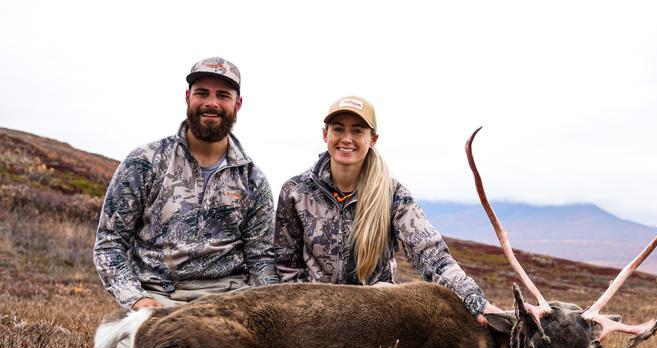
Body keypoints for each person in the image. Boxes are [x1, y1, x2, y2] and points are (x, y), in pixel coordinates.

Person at [273, 96, 502, 324]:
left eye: (357, 131)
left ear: (373, 139)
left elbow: (430, 252)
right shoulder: (296, 192)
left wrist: (473, 299)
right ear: (325, 135)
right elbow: (286, 265)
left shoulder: (394, 195)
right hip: (315, 317)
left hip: (377, 318)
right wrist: (300, 313)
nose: (347, 139)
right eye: (338, 129)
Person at [93, 57, 277, 317]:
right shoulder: (145, 162)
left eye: (222, 95)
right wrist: (137, 300)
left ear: (238, 104)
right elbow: (109, 243)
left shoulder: (253, 180)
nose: (211, 103)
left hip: (228, 303)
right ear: (188, 97)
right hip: (157, 297)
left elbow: (261, 259)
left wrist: (266, 313)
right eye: (202, 93)